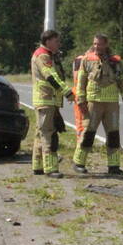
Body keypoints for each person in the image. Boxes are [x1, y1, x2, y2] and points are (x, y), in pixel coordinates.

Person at [73, 34, 123, 175]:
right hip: (93, 102)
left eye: (99, 44)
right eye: (94, 44)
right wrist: (81, 100)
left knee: (113, 135)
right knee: (88, 133)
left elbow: (122, 81)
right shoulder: (87, 60)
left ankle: (114, 166)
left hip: (111, 104)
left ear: (106, 44)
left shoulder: (115, 61)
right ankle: (78, 162)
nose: (96, 46)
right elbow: (81, 81)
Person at [30, 29, 73, 178]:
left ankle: (38, 166)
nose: (59, 44)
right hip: (46, 99)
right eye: (57, 41)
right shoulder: (43, 55)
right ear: (48, 41)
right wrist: (67, 92)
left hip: (46, 100)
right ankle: (51, 168)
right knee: (49, 134)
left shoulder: (46, 54)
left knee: (40, 133)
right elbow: (51, 76)